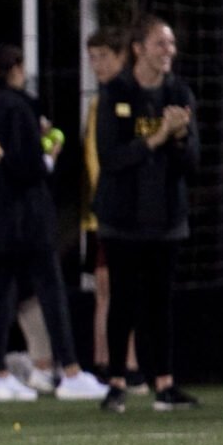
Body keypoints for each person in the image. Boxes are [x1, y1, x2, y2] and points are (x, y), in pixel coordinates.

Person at [0, 45, 106, 402]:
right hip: (28, 218)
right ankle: (70, 372)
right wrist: (48, 156)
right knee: (48, 290)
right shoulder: (18, 106)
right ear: (12, 70)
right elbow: (28, 167)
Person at [94, 15, 201, 413]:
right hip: (122, 218)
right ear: (139, 48)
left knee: (161, 303)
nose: (168, 51)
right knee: (122, 300)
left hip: (167, 219)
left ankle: (165, 385)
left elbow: (192, 162)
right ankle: (117, 383)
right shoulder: (116, 93)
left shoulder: (179, 93)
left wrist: (178, 139)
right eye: (160, 43)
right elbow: (111, 158)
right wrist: (157, 137)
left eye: (170, 44)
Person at [78, 27, 139, 385]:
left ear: (122, 56)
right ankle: (114, 364)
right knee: (108, 287)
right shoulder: (101, 100)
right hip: (104, 210)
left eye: (103, 57)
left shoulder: (128, 97)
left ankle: (119, 363)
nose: (97, 65)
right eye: (92, 58)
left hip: (123, 210)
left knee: (119, 288)